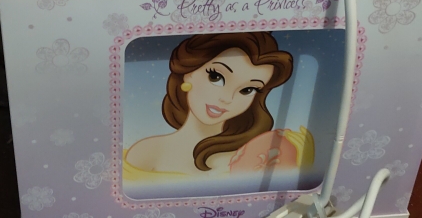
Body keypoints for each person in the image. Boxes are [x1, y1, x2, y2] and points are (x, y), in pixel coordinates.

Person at [124, 32, 314, 182]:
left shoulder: (254, 157)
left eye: (247, 89)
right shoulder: (146, 152)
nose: (227, 98)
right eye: (216, 77)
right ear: (189, 72)